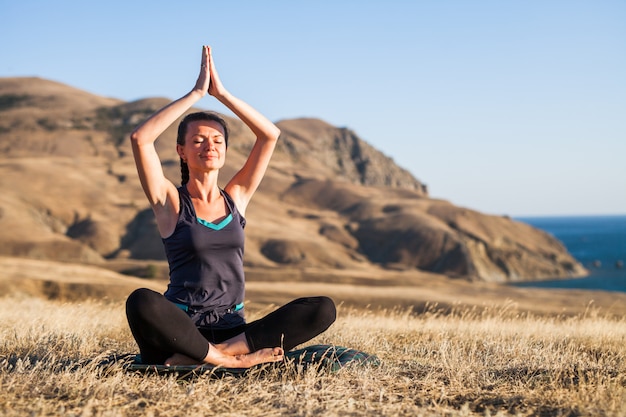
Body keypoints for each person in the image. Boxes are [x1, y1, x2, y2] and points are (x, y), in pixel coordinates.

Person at [125, 45, 336, 368]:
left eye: (217, 140)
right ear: (181, 150)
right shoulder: (170, 201)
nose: (208, 146)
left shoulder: (235, 197)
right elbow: (141, 138)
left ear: (224, 150)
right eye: (197, 140)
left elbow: (269, 135)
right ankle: (231, 362)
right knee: (141, 301)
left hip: (233, 330)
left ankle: (212, 355)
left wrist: (221, 94)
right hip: (178, 331)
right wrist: (197, 93)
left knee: (321, 307)